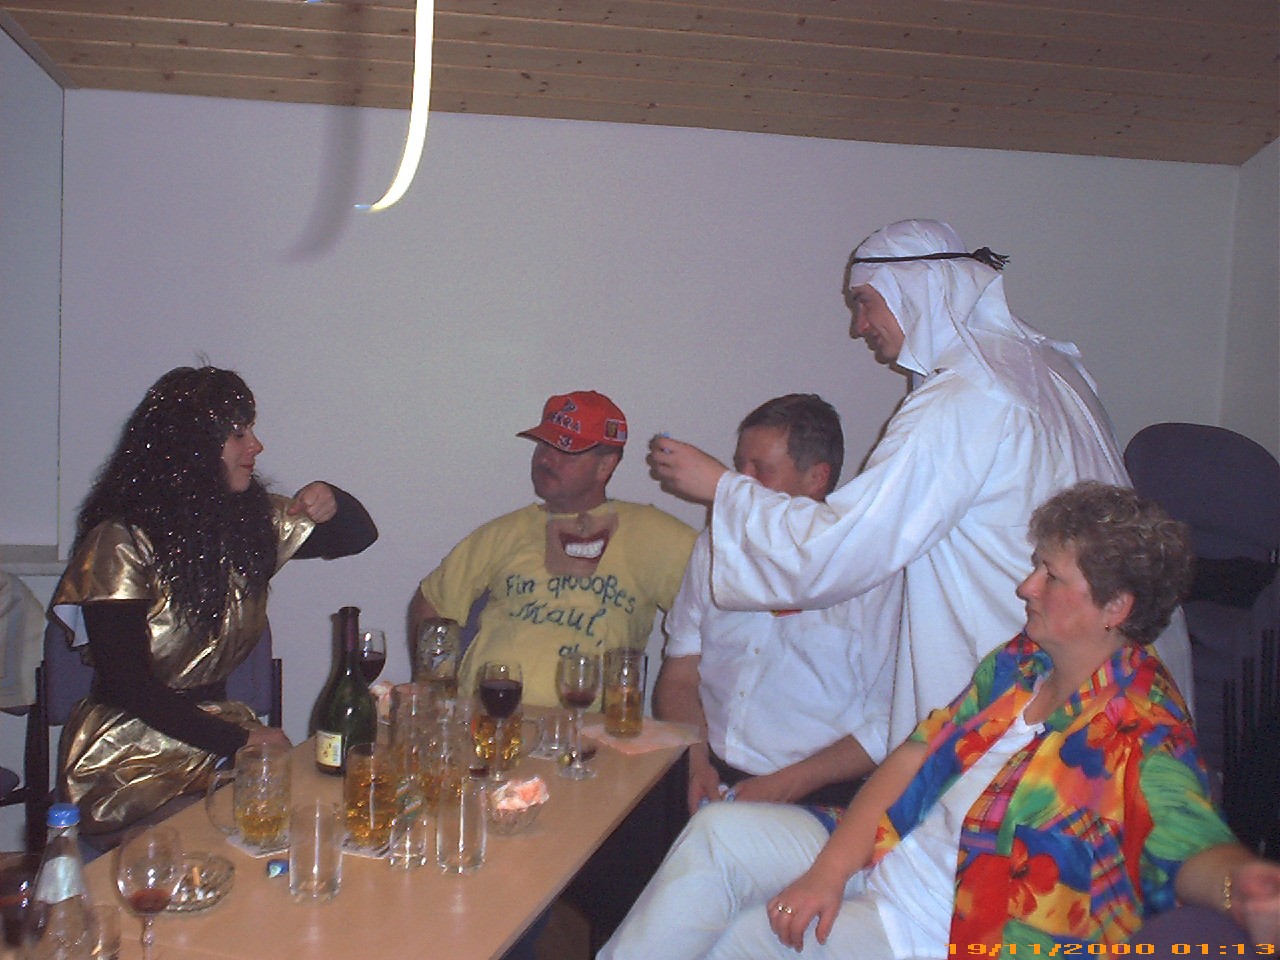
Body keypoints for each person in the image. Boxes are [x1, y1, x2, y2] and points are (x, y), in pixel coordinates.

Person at [600, 482, 1280, 959]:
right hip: (889, 855)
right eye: (1035, 567)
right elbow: (913, 757)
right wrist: (829, 870)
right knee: (717, 835)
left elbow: (1190, 841)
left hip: (940, 932)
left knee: (741, 941)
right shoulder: (1020, 663)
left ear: (1116, 607)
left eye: (1051, 576)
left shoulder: (1143, 726)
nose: (1026, 587)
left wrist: (1245, 888)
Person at [647, 219, 1194, 752]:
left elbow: (844, 547)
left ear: (913, 290)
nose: (859, 325)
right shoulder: (1048, 368)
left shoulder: (966, 397)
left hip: (1034, 671)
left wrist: (722, 487)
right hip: (1116, 665)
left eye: (865, 302)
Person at [48, 365, 377, 836]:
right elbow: (127, 685)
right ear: (190, 447)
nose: (256, 446)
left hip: (218, 737)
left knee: (314, 821)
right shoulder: (120, 541)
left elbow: (357, 535)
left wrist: (332, 498)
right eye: (238, 433)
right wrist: (241, 740)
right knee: (219, 842)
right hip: (129, 756)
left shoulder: (248, 522)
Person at [657, 394, 897, 814]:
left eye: (760, 470)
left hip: (818, 791)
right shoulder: (715, 547)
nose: (741, 482)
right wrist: (696, 763)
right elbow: (679, 675)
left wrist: (785, 785)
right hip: (706, 769)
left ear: (816, 478)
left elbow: (892, 723)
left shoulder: (875, 572)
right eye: (739, 466)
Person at [411, 390, 696, 707]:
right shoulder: (504, 532)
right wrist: (434, 693)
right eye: (544, 445)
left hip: (586, 728)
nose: (546, 459)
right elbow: (432, 602)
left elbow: (719, 615)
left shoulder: (652, 533)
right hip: (485, 719)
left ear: (605, 465)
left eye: (566, 451)